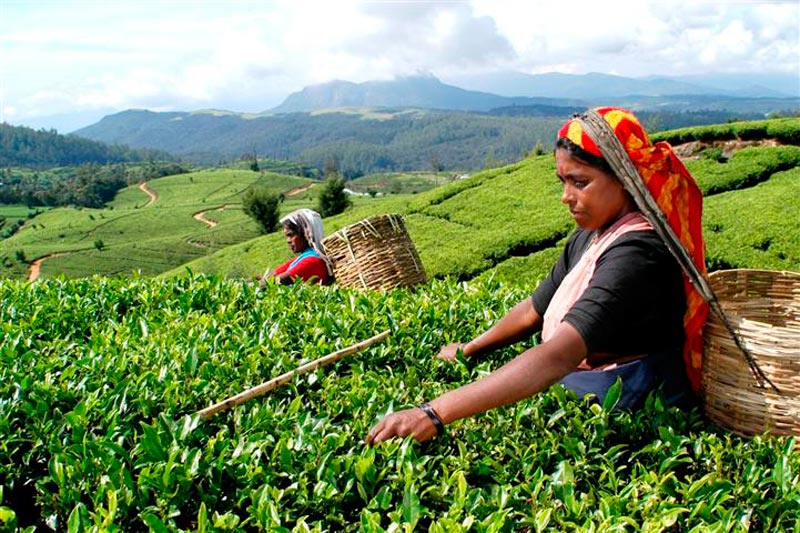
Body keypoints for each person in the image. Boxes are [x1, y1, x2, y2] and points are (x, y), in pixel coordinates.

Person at [366, 107, 708, 445]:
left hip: (629, 397)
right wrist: (470, 350)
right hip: (588, 384)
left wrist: (434, 412)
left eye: (580, 182)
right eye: (563, 181)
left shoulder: (637, 252)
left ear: (624, 178)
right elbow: (534, 309)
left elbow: (559, 355)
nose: (566, 197)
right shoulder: (592, 234)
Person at [258, 208, 333, 286]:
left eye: (291, 235)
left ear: (305, 234)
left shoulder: (312, 261)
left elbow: (276, 281)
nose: (288, 240)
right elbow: (273, 275)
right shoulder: (302, 258)